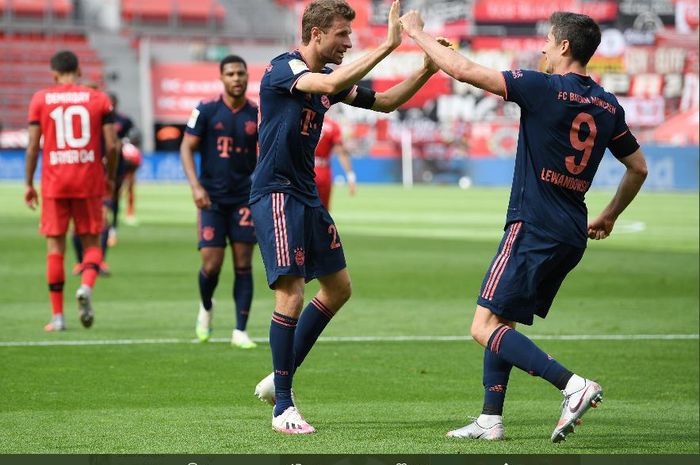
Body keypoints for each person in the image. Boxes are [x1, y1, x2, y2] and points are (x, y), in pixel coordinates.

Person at [399, 10, 648, 442]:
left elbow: (463, 71)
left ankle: (573, 386)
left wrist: (416, 33)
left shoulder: (543, 87)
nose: (543, 48)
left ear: (565, 47)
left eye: (548, 41)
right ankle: (490, 419)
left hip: (533, 223)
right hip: (572, 229)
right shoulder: (609, 105)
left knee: (482, 327)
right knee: (504, 319)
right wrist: (609, 215)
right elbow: (638, 168)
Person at [250, 0, 450, 434]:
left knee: (338, 288)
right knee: (291, 295)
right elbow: (337, 79)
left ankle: (277, 376)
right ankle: (283, 407)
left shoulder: (325, 80)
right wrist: (387, 45)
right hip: (277, 194)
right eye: (342, 34)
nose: (347, 41)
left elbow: (385, 102)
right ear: (316, 34)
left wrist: (426, 70)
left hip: (305, 194)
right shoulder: (283, 69)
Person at [25, 50, 118, 331]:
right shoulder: (99, 98)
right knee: (92, 245)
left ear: (54, 74)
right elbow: (112, 146)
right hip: (88, 180)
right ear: (79, 71)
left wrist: (29, 183)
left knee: (55, 248)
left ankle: (58, 317)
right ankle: (86, 288)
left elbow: (32, 146)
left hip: (54, 181)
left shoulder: (41, 99)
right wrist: (110, 178)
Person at [180, 55, 259, 349]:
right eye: (231, 74)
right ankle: (206, 306)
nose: (237, 78)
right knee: (211, 266)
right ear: (221, 78)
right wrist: (195, 186)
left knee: (243, 264)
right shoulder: (206, 110)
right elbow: (186, 148)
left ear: (247, 76)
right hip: (210, 199)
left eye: (241, 73)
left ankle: (240, 330)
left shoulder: (256, 113)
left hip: (244, 199)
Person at [314, 115, 356, 210]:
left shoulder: (302, 120)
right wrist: (351, 177)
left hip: (303, 168)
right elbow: (341, 153)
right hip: (323, 170)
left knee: (301, 209)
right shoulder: (332, 125)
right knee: (323, 210)